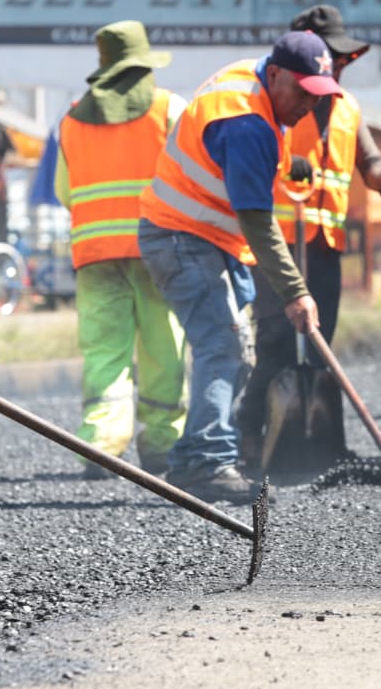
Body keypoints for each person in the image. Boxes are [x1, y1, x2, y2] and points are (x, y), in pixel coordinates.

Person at [136, 30, 337, 502]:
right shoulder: (246, 123)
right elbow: (257, 222)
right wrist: (295, 292)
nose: (308, 106)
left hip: (200, 237)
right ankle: (208, 460)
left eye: (317, 96)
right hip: (181, 237)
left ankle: (190, 461)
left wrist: (290, 170)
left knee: (233, 349)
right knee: (222, 344)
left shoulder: (252, 81)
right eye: (304, 94)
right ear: (276, 75)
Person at [236, 4, 381, 469]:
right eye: (335, 57)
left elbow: (371, 167)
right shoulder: (272, 101)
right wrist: (289, 166)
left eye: (345, 60)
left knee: (321, 340)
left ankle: (318, 442)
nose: (342, 66)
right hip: (278, 240)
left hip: (325, 244)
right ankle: (249, 436)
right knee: (276, 343)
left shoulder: (348, 108)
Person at [56, 21, 188, 479]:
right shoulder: (171, 109)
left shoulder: (72, 118)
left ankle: (102, 444)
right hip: (159, 250)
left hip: (95, 255)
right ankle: (162, 445)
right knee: (163, 348)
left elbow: (64, 191)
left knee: (104, 351)